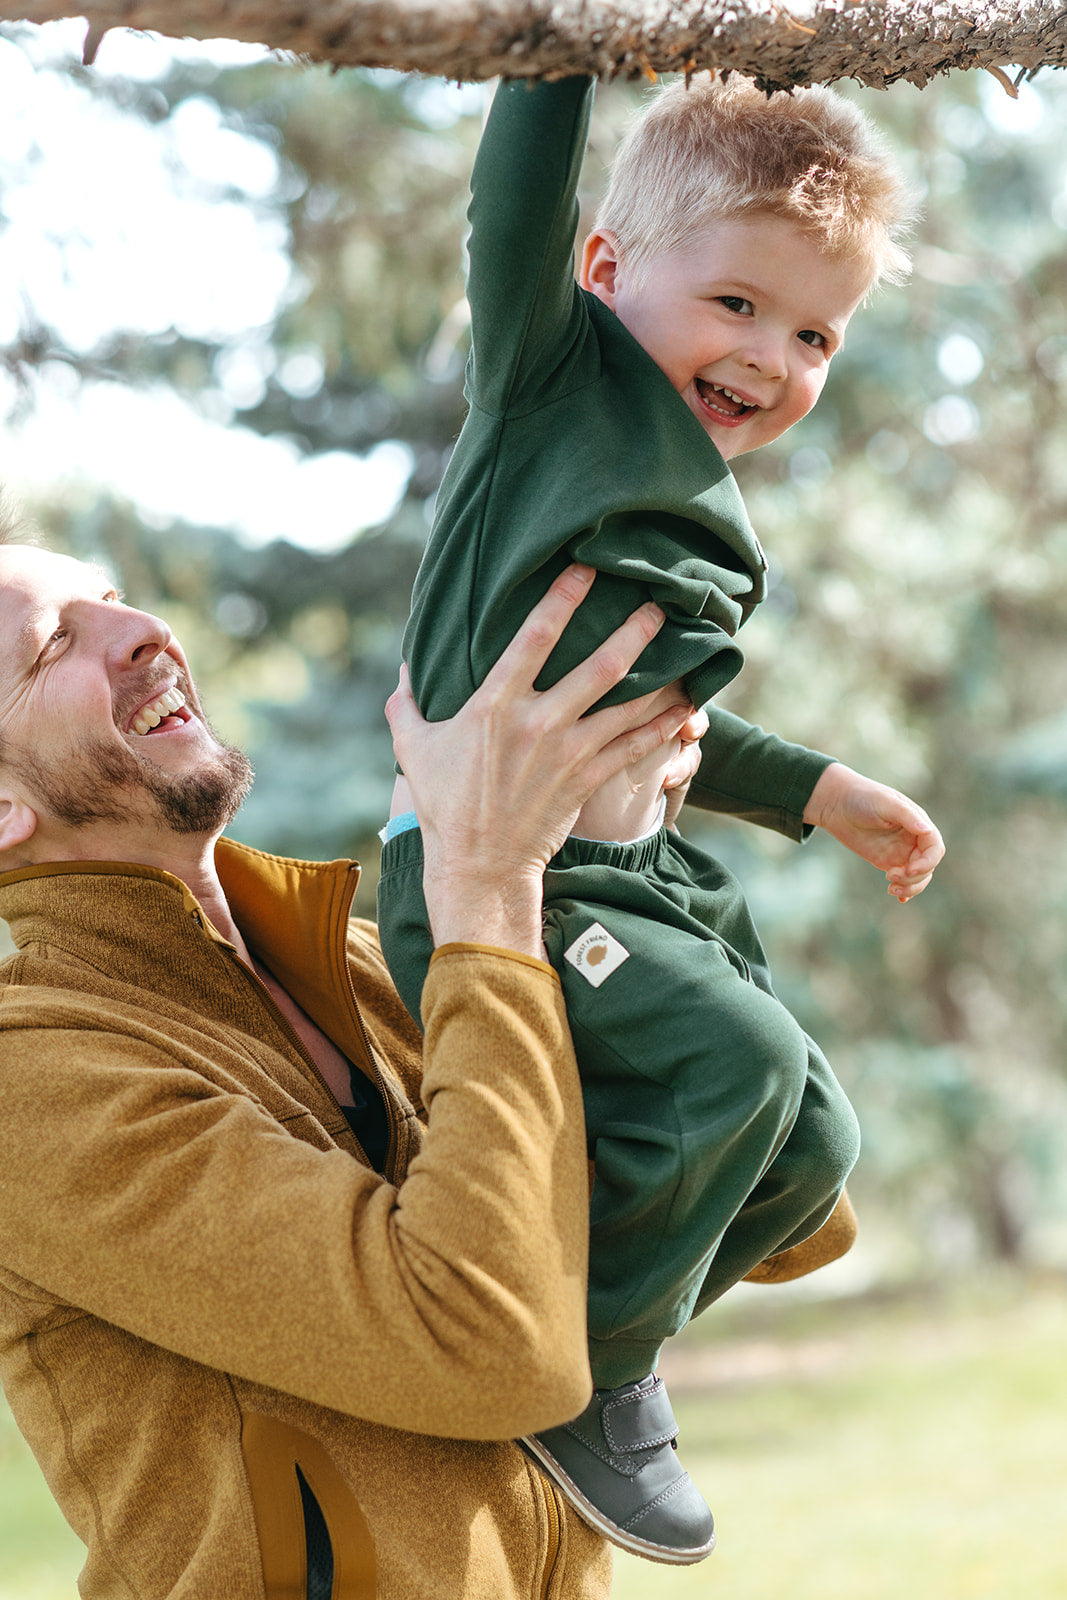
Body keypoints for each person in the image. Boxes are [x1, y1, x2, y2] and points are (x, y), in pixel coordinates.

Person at [0, 533, 848, 1598]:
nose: (144, 633)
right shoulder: (29, 1083)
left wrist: (619, 853)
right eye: (52, 645)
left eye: (115, 598)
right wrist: (486, 880)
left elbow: (785, 1201)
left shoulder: (368, 964)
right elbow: (491, 1347)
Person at [376, 72, 945, 1564]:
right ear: (607, 271)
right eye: (740, 303)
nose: (772, 355)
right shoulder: (545, 388)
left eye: (813, 333)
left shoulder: (691, 490)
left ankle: (571, 1316)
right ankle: (574, 1376)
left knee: (809, 1137)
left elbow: (662, 708)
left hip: (633, 875)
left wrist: (816, 791)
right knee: (735, 1063)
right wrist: (554, 46)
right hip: (503, 883)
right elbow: (516, 200)